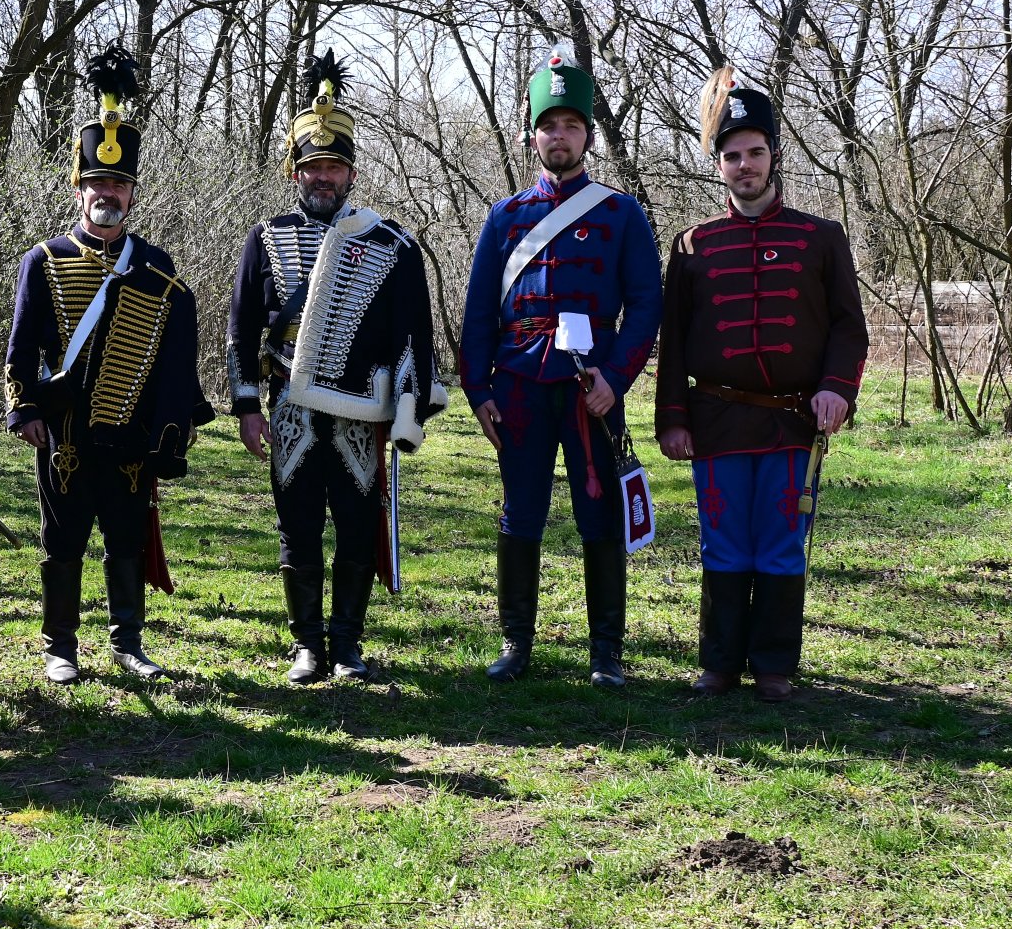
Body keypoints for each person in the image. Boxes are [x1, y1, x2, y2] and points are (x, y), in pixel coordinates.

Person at [655, 68, 868, 701]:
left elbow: (848, 329)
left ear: (773, 156)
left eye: (754, 152)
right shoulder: (692, 245)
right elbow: (672, 340)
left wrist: (838, 388)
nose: (743, 165)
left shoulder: (821, 238)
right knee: (722, 535)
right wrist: (673, 418)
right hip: (716, 419)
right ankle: (719, 662)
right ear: (718, 165)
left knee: (779, 539)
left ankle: (773, 664)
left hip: (791, 420)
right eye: (731, 156)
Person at [226, 50, 437, 684]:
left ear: (351, 174)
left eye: (335, 166)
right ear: (296, 172)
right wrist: (244, 407)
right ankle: (307, 644)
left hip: (358, 413)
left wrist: (409, 408)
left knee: (353, 526)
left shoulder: (392, 243)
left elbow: (414, 335)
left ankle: (346, 643)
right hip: (289, 411)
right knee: (296, 529)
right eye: (313, 166)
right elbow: (240, 328)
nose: (324, 176)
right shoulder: (265, 237)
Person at [5, 48, 212, 683]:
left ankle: (128, 643)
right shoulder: (43, 260)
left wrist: (168, 437)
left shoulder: (159, 268)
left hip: (128, 437)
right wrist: (25, 409)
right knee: (62, 541)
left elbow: (178, 364)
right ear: (79, 187)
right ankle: (60, 648)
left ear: (132, 191)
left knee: (127, 540)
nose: (108, 194)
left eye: (119, 184)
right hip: (64, 434)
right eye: (97, 183)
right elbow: (19, 347)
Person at [459, 48, 663, 687]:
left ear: (587, 135)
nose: (559, 135)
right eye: (549, 125)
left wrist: (617, 379)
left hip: (590, 385)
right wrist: (478, 388)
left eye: (571, 125)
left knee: (597, 514)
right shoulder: (505, 216)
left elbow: (646, 305)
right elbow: (479, 312)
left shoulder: (621, 213)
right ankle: (516, 642)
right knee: (520, 512)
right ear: (533, 134)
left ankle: (606, 652)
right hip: (518, 382)